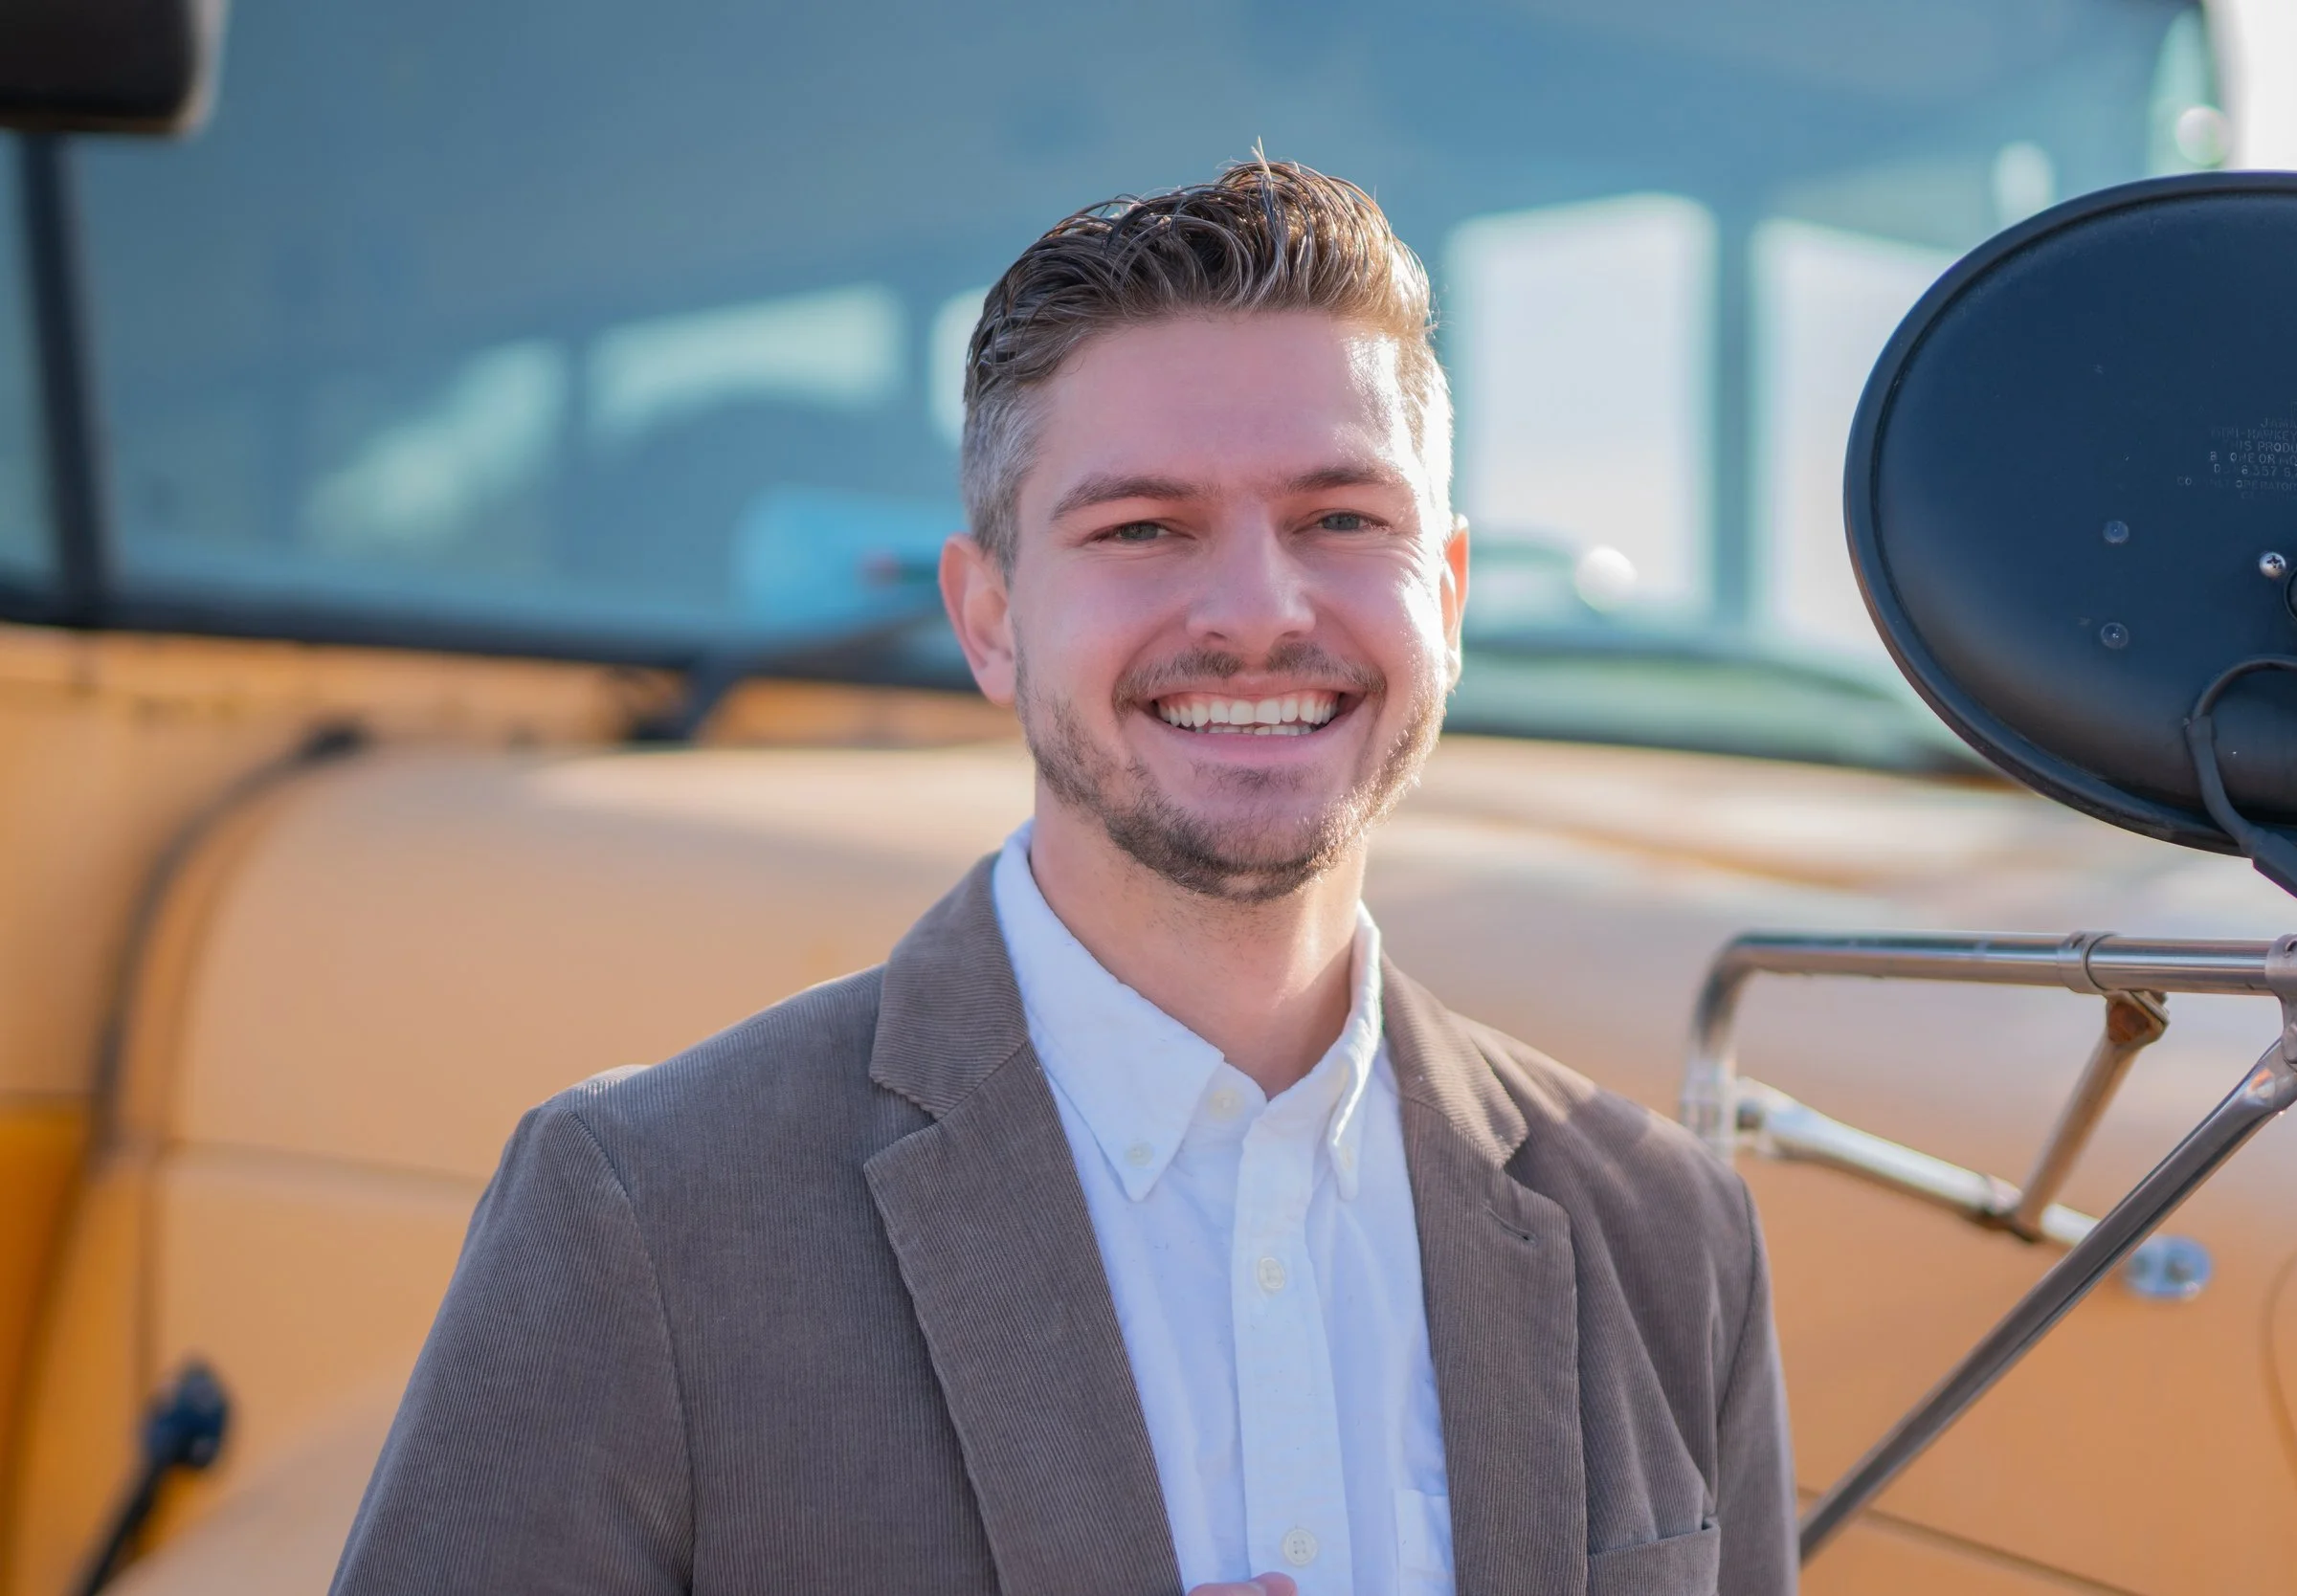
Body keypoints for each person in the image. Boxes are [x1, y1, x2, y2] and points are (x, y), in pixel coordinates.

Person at [332, 160, 1795, 1596]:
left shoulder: (1668, 1236)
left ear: (1450, 599)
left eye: (1343, 519)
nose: (1256, 613)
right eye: (1141, 528)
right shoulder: (644, 1214)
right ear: (990, 619)